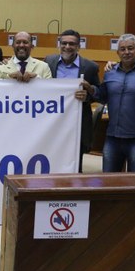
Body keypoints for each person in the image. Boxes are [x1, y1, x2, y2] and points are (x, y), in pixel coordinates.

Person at [85, 34, 135, 172]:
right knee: (109, 179)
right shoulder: (110, 72)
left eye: (130, 48)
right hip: (113, 136)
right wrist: (90, 88)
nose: (126, 52)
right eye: (122, 49)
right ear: (117, 53)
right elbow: (102, 97)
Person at [44, 29, 100, 172]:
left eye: (72, 44)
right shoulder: (49, 61)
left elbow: (98, 93)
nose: (67, 47)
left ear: (78, 46)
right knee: (51, 160)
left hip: (77, 124)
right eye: (64, 43)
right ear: (59, 44)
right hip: (53, 122)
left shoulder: (90, 67)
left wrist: (88, 95)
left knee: (75, 166)